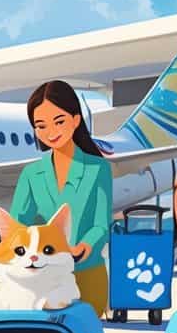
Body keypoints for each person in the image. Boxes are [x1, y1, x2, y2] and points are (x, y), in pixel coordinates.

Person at [9, 80, 113, 317]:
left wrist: (85, 246)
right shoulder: (31, 175)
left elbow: (100, 224)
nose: (51, 132)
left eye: (59, 122)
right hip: (43, 278)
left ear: (76, 120)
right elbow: (18, 225)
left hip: (86, 274)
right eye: (41, 126)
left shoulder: (98, 169)